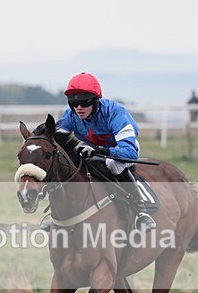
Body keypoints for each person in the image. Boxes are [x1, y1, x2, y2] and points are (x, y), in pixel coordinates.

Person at [56, 72, 156, 231]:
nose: (79, 108)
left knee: (113, 165)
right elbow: (55, 137)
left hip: (120, 149)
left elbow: (130, 152)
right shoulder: (71, 115)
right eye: (73, 103)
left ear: (96, 101)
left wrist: (99, 150)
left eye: (84, 102)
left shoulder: (115, 112)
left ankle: (141, 212)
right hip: (91, 150)